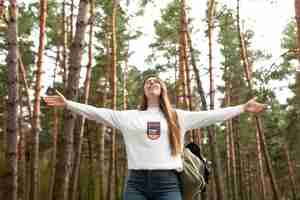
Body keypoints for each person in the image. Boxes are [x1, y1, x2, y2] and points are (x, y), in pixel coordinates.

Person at [43, 76, 267, 200]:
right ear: (144, 90)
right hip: (136, 184)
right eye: (148, 82)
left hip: (168, 183)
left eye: (156, 82)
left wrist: (243, 107)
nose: (152, 83)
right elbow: (96, 112)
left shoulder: (177, 116)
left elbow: (212, 115)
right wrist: (68, 104)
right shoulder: (128, 117)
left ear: (162, 90)